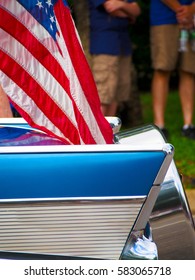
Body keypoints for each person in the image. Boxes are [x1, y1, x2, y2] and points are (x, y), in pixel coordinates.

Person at [150, 0, 195, 140]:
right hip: (164, 18)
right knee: (162, 69)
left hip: (191, 19)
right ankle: (160, 125)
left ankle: (188, 125)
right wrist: (182, 11)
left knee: (189, 70)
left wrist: (191, 10)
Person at [88, 0, 141, 116]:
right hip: (105, 44)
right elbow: (111, 8)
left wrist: (121, 4)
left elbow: (136, 10)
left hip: (122, 44)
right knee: (103, 95)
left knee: (115, 94)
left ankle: (110, 131)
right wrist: (128, 11)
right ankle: (98, 132)